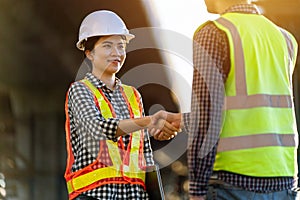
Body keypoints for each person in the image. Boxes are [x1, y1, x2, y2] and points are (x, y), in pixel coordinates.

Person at [187, 0, 299, 199]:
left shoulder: (213, 33)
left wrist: (197, 187)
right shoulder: (285, 38)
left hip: (232, 179)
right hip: (284, 178)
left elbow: (207, 113)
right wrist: (181, 120)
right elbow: (258, 108)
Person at [64, 10, 179, 200]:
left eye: (121, 46)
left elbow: (143, 154)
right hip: (94, 195)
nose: (116, 53)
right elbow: (99, 129)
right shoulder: (80, 91)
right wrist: (149, 121)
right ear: (89, 53)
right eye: (108, 46)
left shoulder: (133, 95)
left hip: (133, 196)